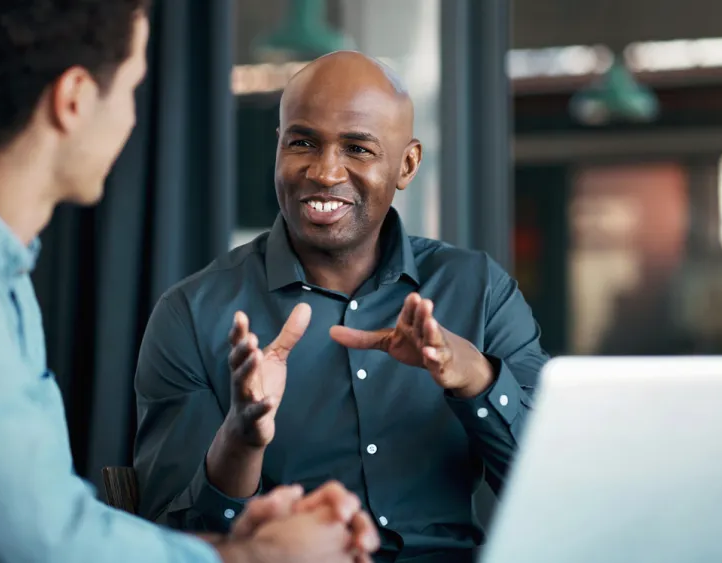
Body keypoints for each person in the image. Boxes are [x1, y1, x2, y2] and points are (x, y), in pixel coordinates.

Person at [0, 2, 380, 562]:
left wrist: (235, 541)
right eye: (130, 88)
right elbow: (50, 546)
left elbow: (48, 515)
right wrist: (256, 558)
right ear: (73, 101)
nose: (131, 119)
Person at [133, 50, 551, 563]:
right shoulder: (193, 314)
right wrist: (240, 439)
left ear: (408, 164)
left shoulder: (478, 290)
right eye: (302, 142)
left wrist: (477, 379)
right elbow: (170, 541)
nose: (325, 172)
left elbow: (553, 490)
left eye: (357, 148)